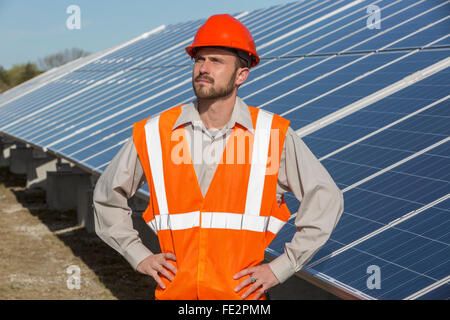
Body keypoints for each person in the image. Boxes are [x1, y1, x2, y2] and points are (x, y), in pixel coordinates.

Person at [93, 14, 344, 300]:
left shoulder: (272, 134)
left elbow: (326, 198)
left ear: (241, 75)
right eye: (199, 59)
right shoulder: (155, 132)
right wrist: (137, 254)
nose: (204, 68)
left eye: (216, 61)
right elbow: (106, 196)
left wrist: (280, 268)